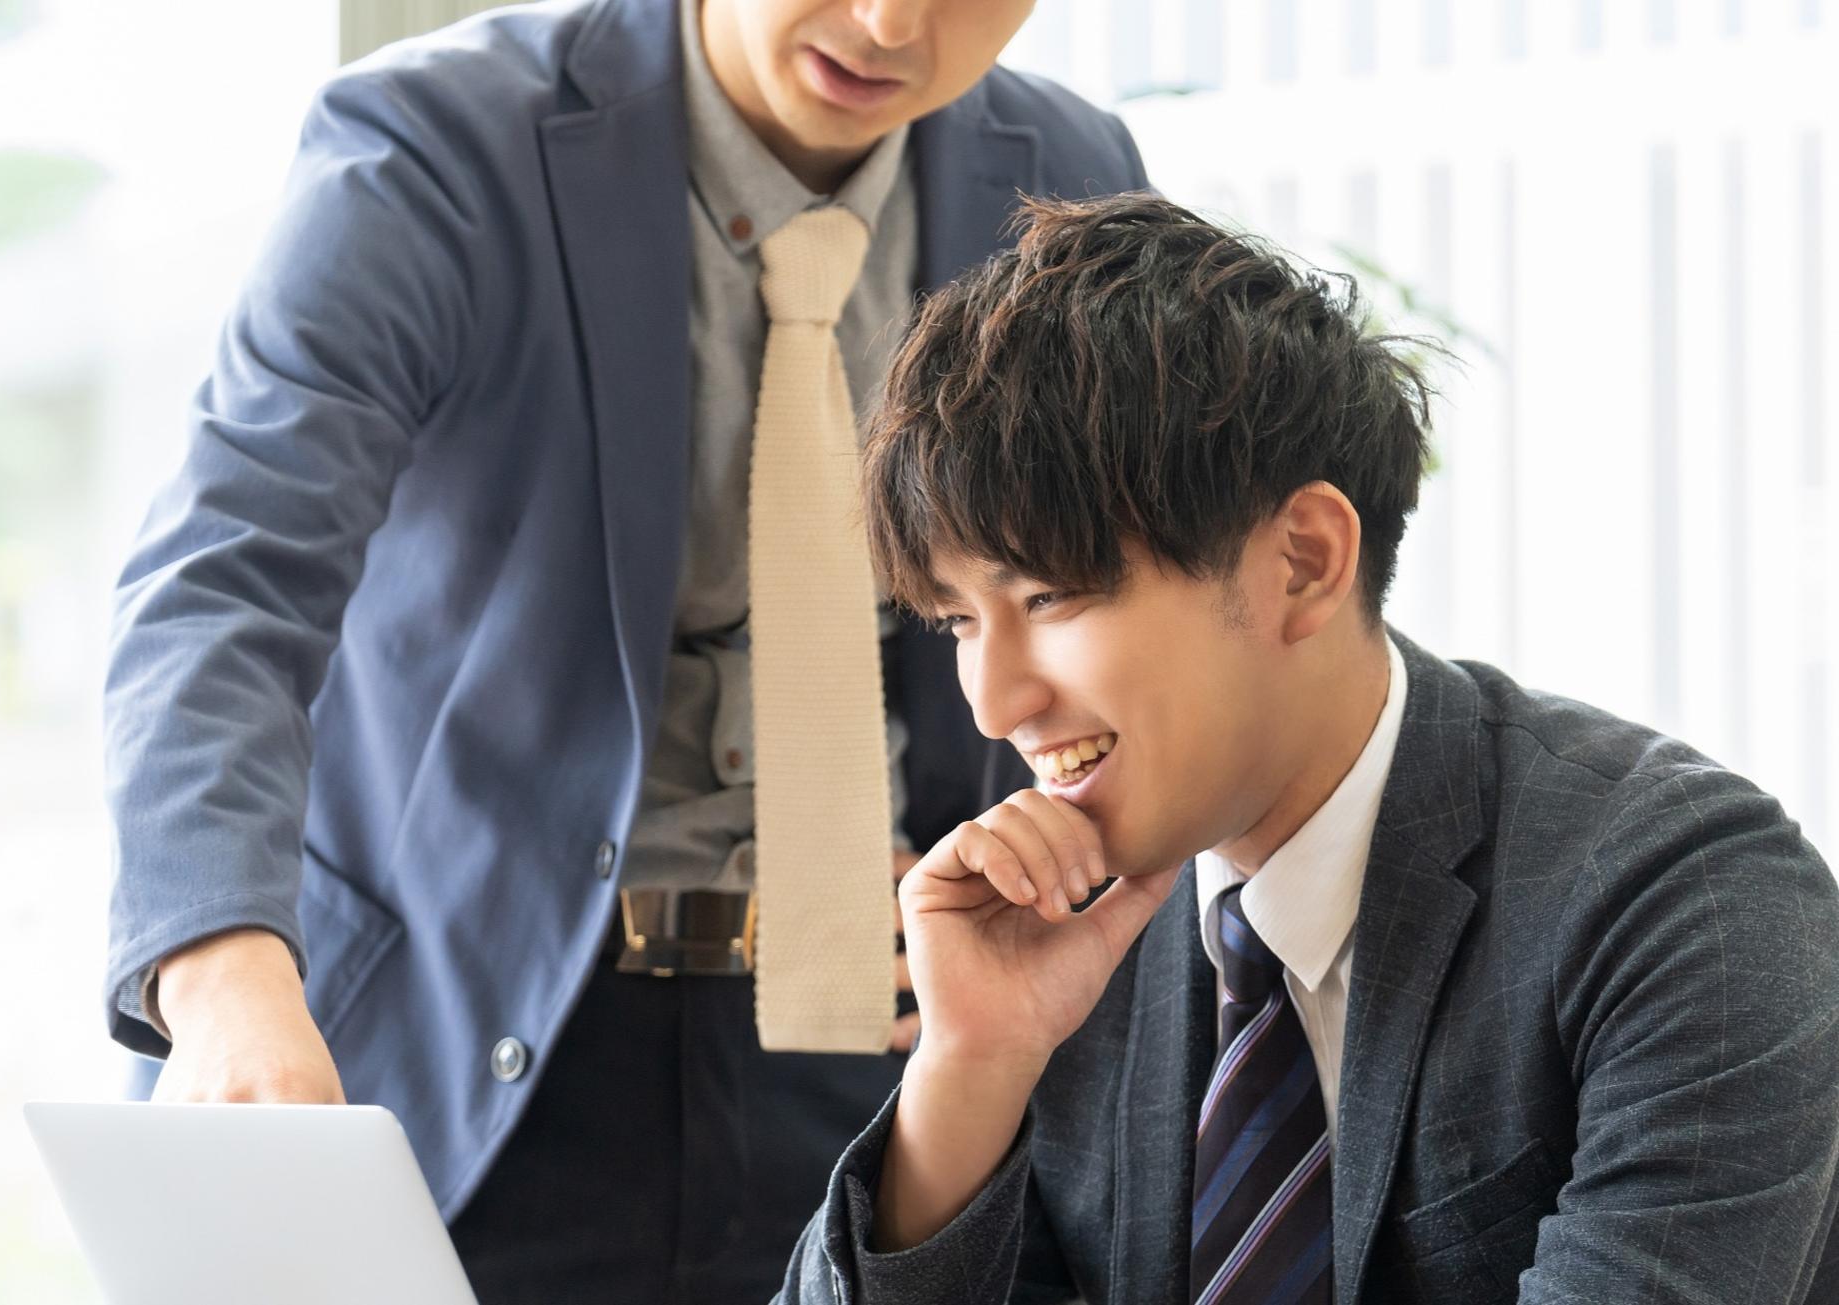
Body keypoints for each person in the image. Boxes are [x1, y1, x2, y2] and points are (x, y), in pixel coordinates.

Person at [99, 0, 1147, 1299]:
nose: (888, 22)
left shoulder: (1069, 174)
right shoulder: (433, 147)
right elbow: (228, 581)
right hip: (465, 1053)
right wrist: (224, 983)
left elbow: (1139, 609)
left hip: (879, 1048)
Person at [777, 193, 1839, 1305]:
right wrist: (968, 1072)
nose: (995, 705)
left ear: (1303, 561)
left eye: (1049, 596)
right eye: (957, 621)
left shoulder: (1684, 900)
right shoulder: (1055, 927)